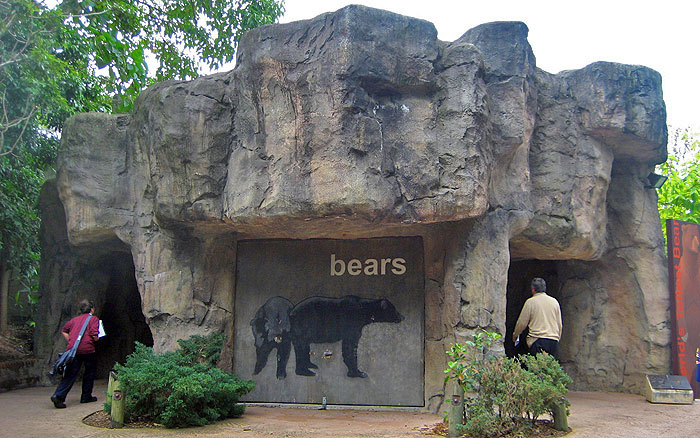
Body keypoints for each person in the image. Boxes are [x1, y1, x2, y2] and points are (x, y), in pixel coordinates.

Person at [50, 299, 101, 408]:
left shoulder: (74, 320)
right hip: (88, 350)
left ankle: (58, 396)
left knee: (70, 374)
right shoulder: (93, 319)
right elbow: (94, 335)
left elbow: (64, 330)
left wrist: (71, 340)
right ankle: (86, 396)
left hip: (73, 350)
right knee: (89, 372)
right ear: (92, 309)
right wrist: (97, 339)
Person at [512, 278, 562, 358]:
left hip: (537, 340)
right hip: (553, 340)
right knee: (549, 368)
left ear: (533, 290)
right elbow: (559, 324)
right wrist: (557, 338)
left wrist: (515, 335)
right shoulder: (554, 302)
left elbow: (522, 323)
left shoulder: (531, 302)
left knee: (536, 367)